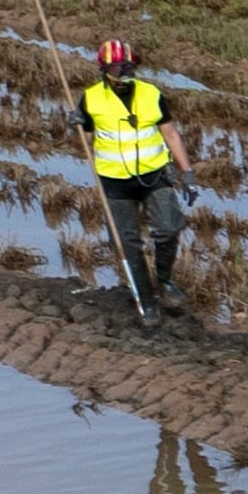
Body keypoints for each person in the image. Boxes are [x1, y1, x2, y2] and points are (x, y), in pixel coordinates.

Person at [80, 37, 187, 313]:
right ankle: (145, 298)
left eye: (129, 66)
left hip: (154, 176)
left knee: (169, 226)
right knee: (127, 243)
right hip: (115, 183)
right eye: (118, 68)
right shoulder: (91, 99)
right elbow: (84, 142)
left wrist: (187, 171)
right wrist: (76, 127)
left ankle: (164, 280)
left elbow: (170, 133)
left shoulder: (151, 94)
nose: (124, 72)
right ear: (104, 70)